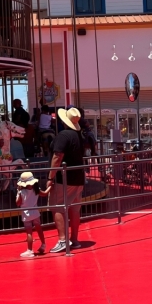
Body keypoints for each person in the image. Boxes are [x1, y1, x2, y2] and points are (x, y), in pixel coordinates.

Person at [48, 107, 86, 252]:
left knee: (57, 207)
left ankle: (63, 240)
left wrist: (50, 177)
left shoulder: (63, 135)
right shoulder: (78, 135)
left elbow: (57, 157)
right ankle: (74, 239)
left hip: (64, 178)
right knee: (75, 209)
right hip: (78, 177)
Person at [16, 170, 50, 257]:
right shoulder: (36, 190)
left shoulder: (22, 192)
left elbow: (18, 203)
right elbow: (45, 193)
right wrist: (50, 187)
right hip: (35, 213)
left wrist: (18, 193)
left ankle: (30, 250)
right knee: (39, 229)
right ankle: (43, 244)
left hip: (26, 214)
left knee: (29, 233)